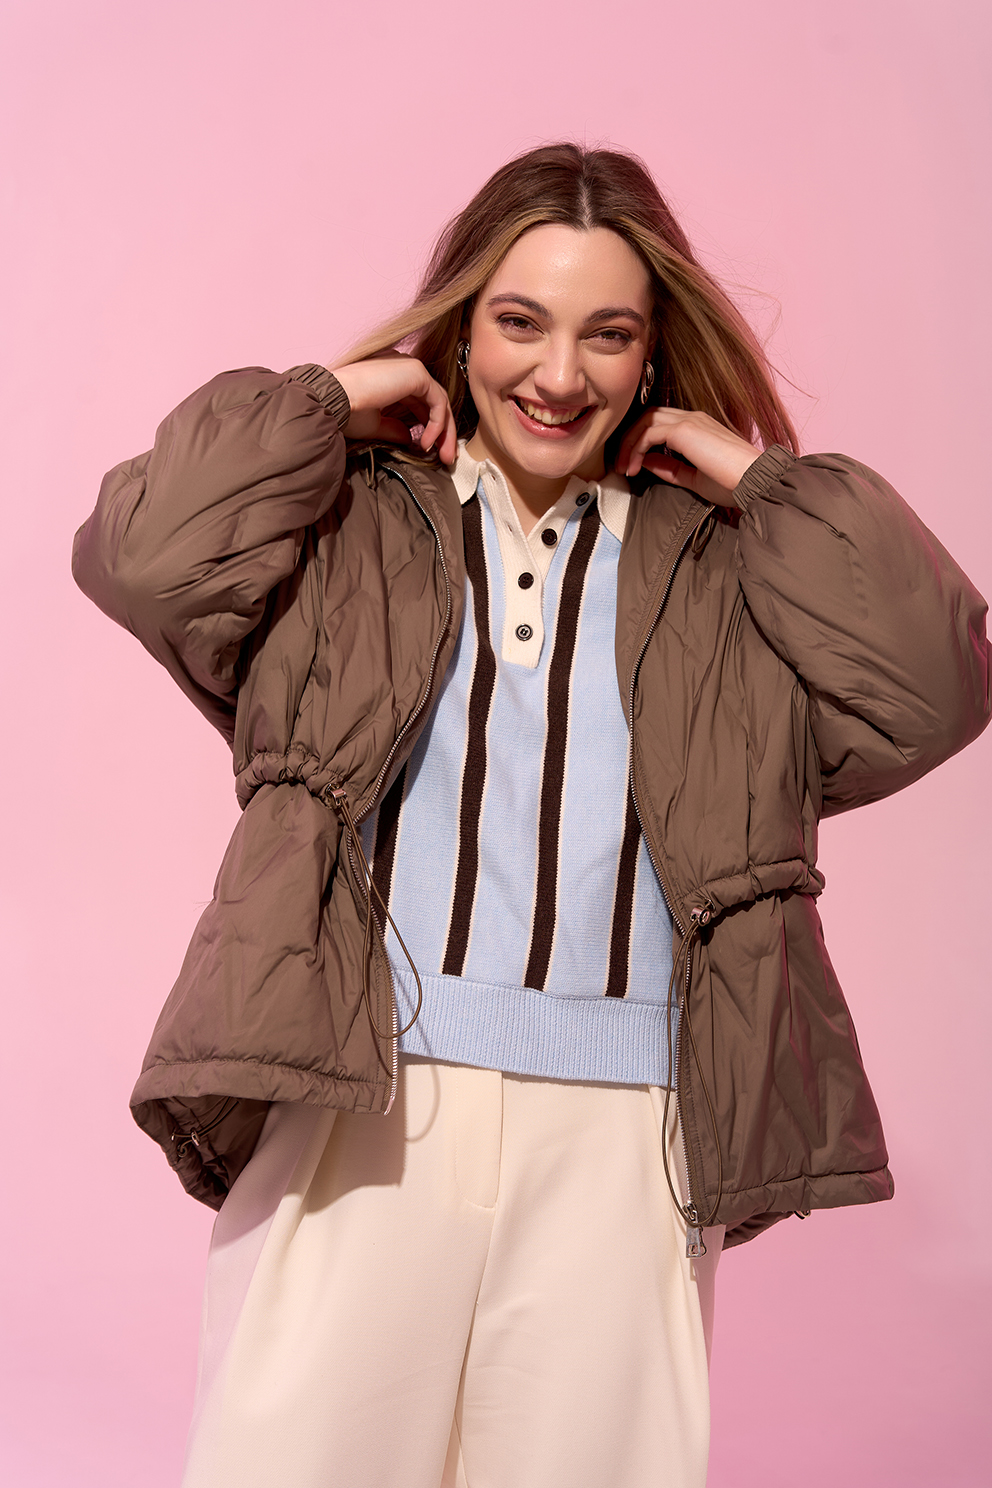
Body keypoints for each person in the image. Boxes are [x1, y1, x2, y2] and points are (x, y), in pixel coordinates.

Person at [72, 143, 990, 1488]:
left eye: (607, 333)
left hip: (629, 1137)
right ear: (461, 324)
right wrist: (328, 398)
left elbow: (938, 683)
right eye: (520, 321)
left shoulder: (723, 567)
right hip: (359, 1096)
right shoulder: (348, 522)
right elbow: (145, 555)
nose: (560, 375)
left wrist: (756, 482)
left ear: (651, 350)